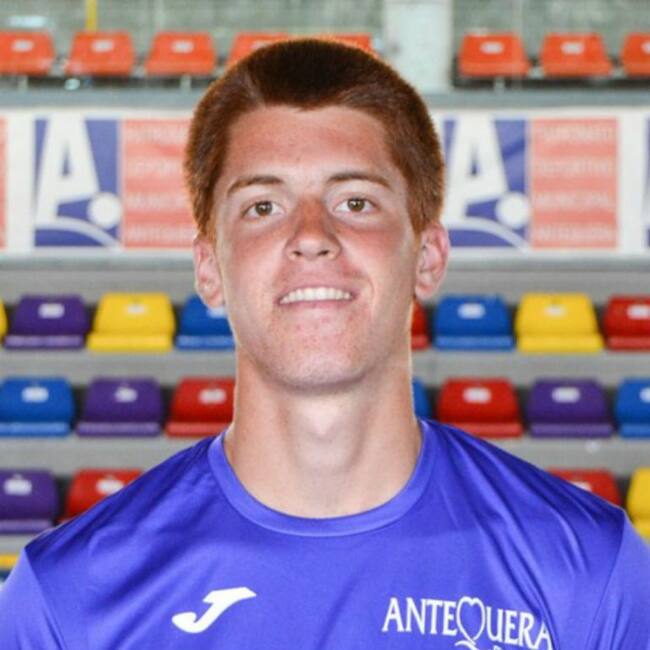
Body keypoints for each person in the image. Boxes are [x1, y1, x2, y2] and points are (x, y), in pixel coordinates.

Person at [1, 38, 649, 649]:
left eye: (356, 202)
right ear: (209, 268)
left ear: (428, 256)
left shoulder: (587, 569)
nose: (311, 235)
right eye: (263, 207)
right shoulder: (69, 597)